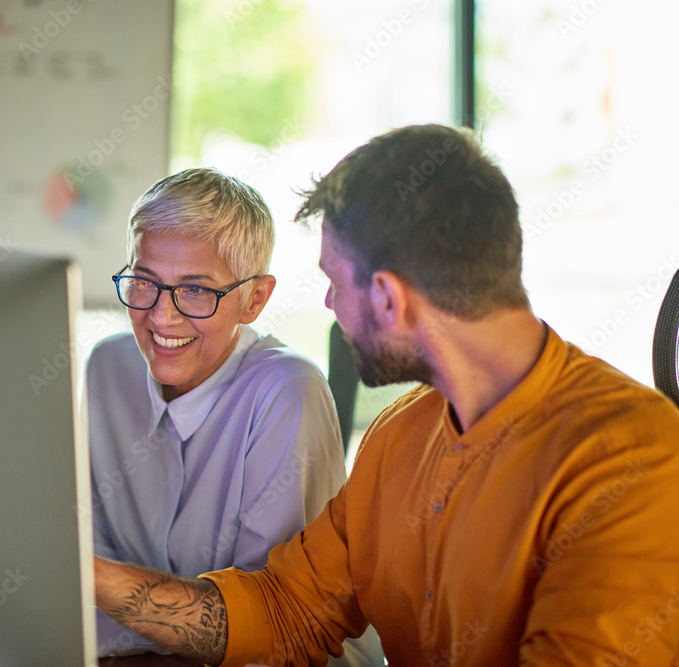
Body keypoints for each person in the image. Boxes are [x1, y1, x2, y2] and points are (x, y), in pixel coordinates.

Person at [92, 124, 679, 666]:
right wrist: (89, 575)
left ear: (389, 298)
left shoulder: (635, 458)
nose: (327, 306)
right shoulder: (400, 435)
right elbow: (285, 612)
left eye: (333, 282)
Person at [86, 167, 378, 660]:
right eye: (144, 281)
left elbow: (271, 631)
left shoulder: (287, 392)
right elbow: (88, 564)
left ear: (254, 299)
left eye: (196, 289)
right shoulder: (108, 367)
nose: (161, 315)